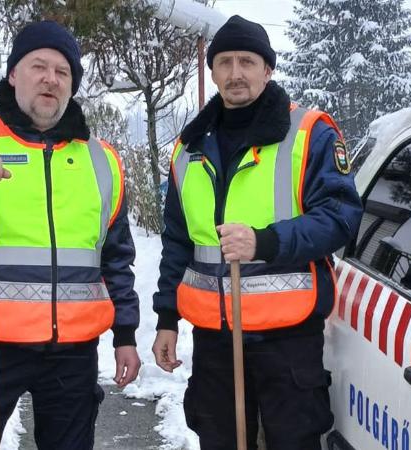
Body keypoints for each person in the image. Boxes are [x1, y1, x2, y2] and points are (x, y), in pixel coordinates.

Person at [0, 20, 141, 449]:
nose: (50, 78)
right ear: (14, 73)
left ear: (72, 84)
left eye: (62, 71)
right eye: (39, 66)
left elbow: (115, 258)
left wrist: (125, 333)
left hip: (73, 351)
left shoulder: (101, 161)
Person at [151, 15, 363, 450]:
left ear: (267, 69)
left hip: (288, 343)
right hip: (215, 342)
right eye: (224, 62)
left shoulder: (309, 133)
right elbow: (177, 241)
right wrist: (167, 318)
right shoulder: (189, 148)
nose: (235, 73)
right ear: (212, 72)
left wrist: (265, 242)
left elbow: (342, 215)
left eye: (247, 61)